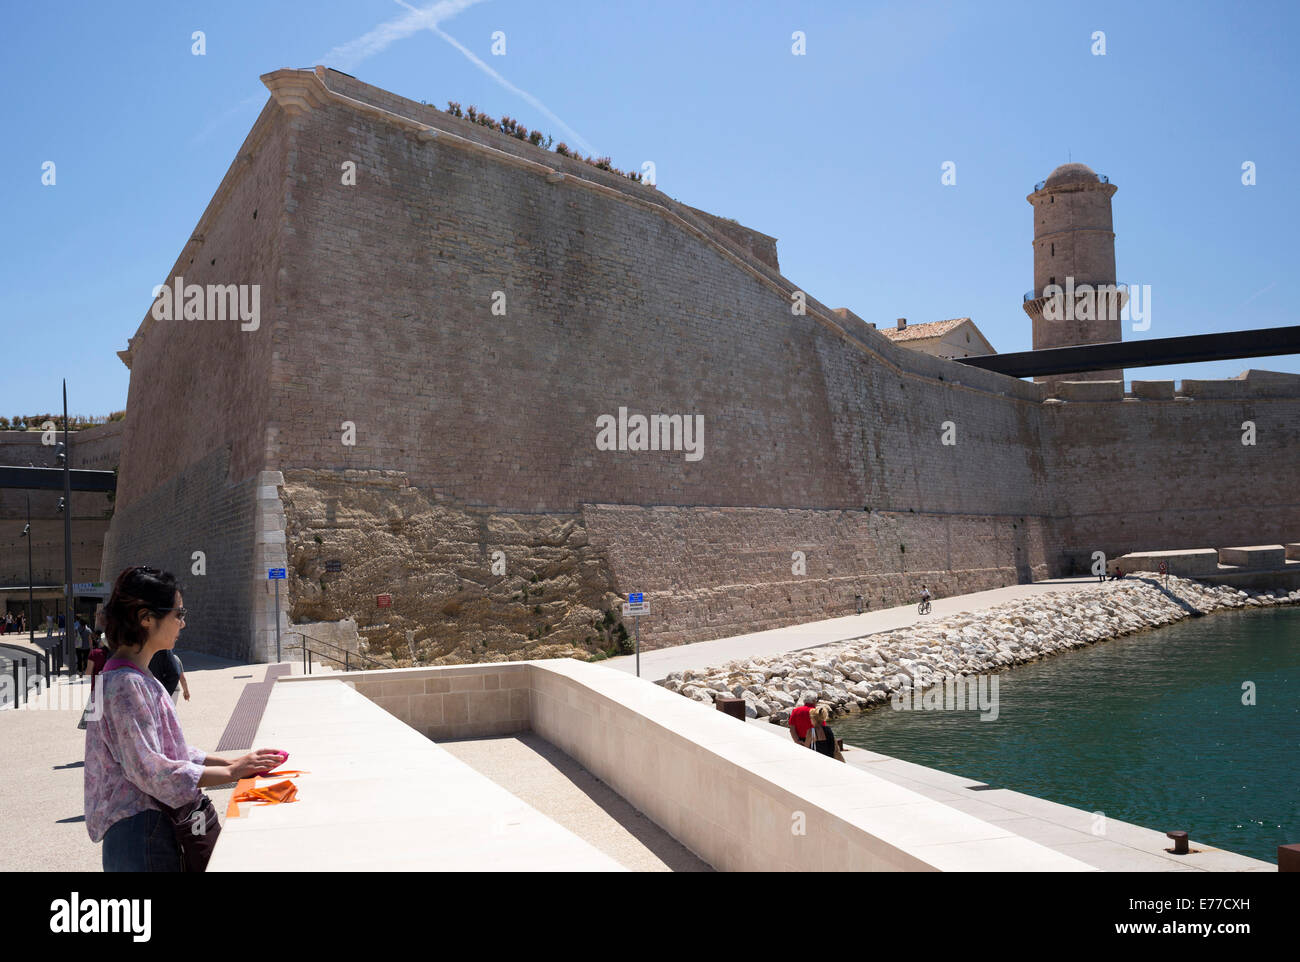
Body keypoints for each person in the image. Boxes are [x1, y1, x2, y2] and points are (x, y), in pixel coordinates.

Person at [84, 564, 283, 872]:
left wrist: (234, 763)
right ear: (146, 618)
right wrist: (232, 773)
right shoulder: (126, 684)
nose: (183, 623)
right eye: (178, 613)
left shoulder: (132, 676)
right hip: (141, 836)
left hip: (144, 832)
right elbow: (152, 770)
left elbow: (170, 752)